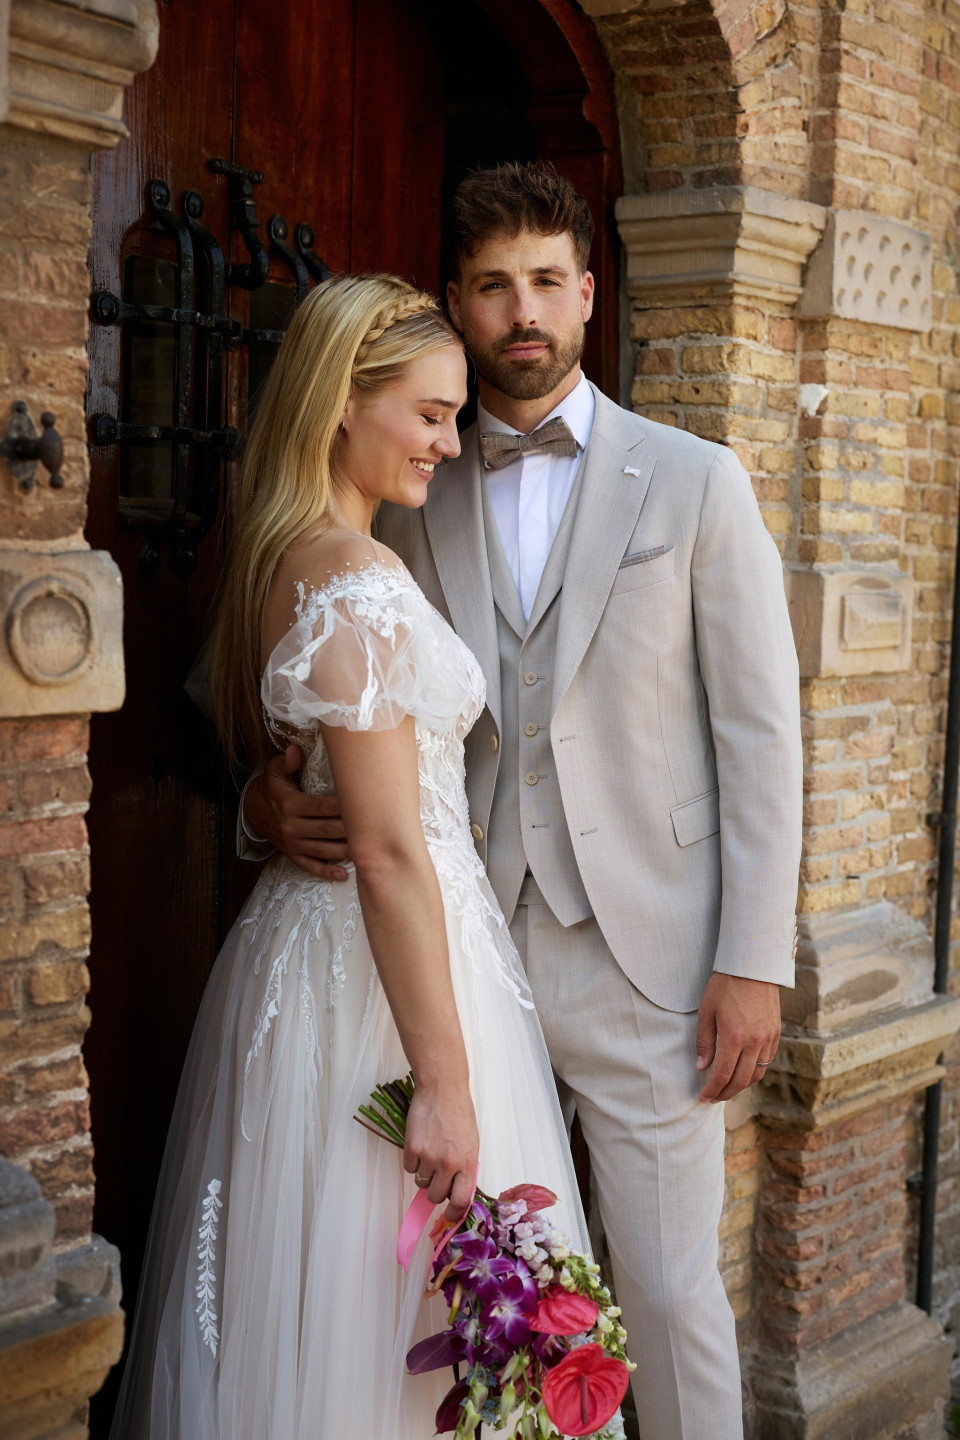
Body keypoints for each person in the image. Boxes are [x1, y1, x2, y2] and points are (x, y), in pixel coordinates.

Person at [245, 162, 804, 1440]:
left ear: (590, 295)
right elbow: (301, 693)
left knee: (665, 1299)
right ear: (457, 300)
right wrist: (260, 812)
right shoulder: (407, 470)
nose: (522, 312)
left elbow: (763, 737)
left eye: (547, 280)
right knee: (452, 1304)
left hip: (651, 965)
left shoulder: (695, 481)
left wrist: (753, 960)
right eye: (493, 287)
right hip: (448, 961)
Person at [108, 273, 590, 1440]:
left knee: (333, 1309)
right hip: (379, 980)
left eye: (452, 411)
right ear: (340, 402)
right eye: (426, 412)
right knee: (391, 1325)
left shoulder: (293, 557)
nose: (447, 438)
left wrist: (264, 814)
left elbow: (310, 784)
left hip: (312, 960)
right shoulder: (355, 579)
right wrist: (446, 1080)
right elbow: (383, 848)